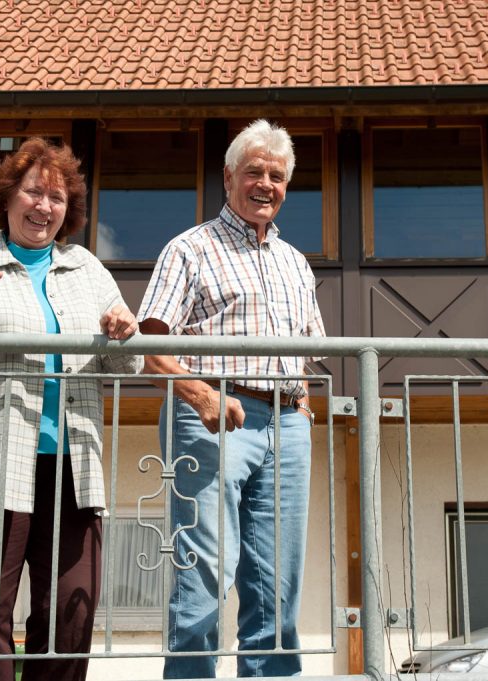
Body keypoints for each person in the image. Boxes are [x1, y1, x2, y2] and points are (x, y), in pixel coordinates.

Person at [0, 137, 142, 681]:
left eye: (56, 198)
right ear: (7, 198)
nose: (44, 206)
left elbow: (125, 366)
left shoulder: (86, 270)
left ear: (69, 210)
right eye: (33, 192)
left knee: (69, 614)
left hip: (72, 467)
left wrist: (121, 333)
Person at [138, 119, 325, 678]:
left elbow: (306, 354)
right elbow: (152, 348)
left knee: (277, 577)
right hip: (213, 416)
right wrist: (199, 395)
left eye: (276, 175)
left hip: (287, 424)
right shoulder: (190, 249)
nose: (265, 184)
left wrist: (304, 410)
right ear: (228, 177)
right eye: (254, 172)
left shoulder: (296, 263)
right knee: (204, 568)